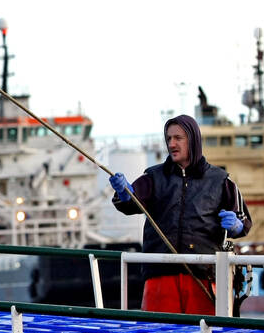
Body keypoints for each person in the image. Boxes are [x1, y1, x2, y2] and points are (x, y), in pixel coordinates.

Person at [108, 114, 252, 314]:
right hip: (159, 275)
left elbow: (244, 222)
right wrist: (124, 193)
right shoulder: (153, 177)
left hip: (203, 277)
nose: (172, 144)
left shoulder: (221, 181)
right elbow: (130, 203)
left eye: (178, 138)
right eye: (168, 139)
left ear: (193, 140)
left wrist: (237, 225)